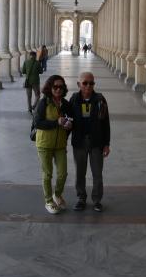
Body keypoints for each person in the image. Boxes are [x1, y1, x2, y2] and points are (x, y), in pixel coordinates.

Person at [69, 72, 110, 212]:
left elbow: (106, 123)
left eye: (91, 83)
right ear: (78, 84)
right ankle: (81, 198)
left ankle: (97, 200)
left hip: (96, 143)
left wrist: (106, 144)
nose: (88, 86)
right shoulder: (74, 99)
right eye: (85, 83)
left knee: (97, 173)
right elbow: (68, 120)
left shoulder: (99, 99)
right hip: (79, 142)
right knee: (80, 172)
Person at [33, 74, 74, 214]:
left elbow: (71, 120)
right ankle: (49, 201)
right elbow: (37, 123)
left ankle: (57, 195)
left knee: (63, 173)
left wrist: (69, 125)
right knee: (47, 174)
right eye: (55, 87)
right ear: (50, 88)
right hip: (44, 143)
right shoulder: (43, 103)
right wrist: (55, 123)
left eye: (61, 87)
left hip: (60, 144)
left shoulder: (66, 104)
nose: (58, 89)